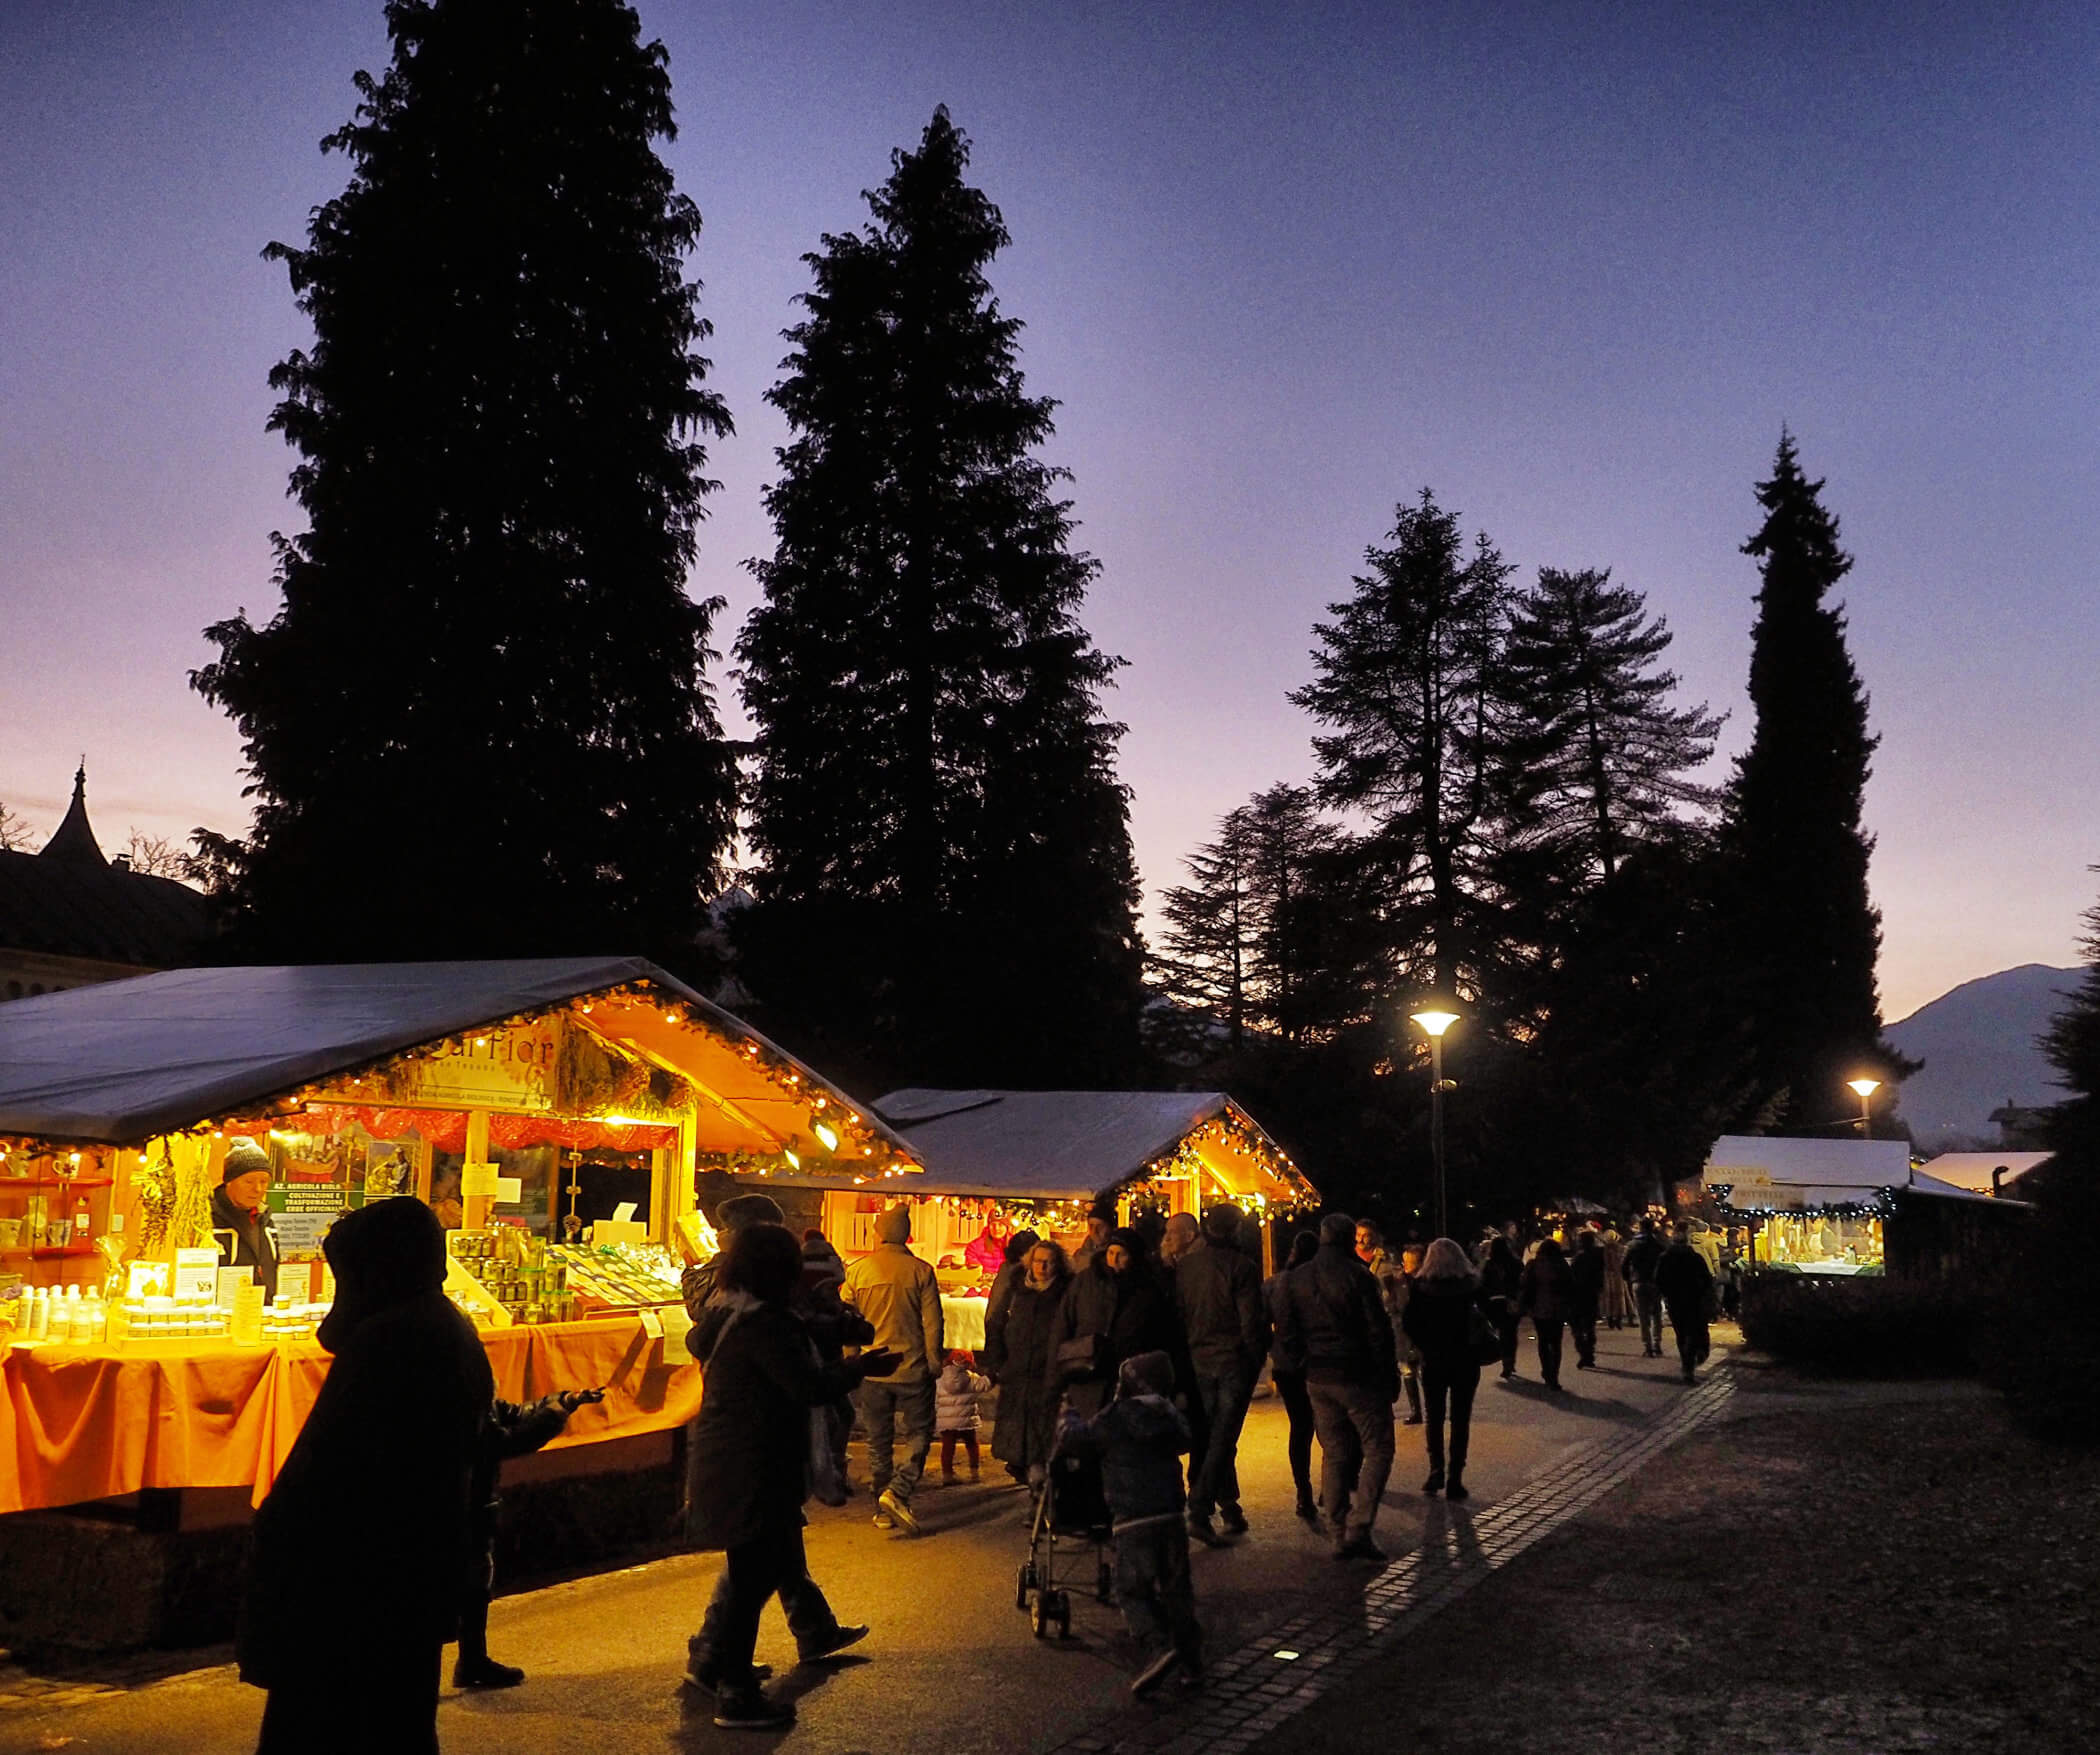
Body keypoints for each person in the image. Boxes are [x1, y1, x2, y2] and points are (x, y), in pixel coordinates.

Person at [238, 1196, 491, 1755]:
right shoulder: (432, 1324)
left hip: (358, 1579)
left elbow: (334, 1469)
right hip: (407, 1573)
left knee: (337, 1724)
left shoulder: (396, 1339)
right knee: (394, 1719)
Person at [684, 1223, 901, 1731]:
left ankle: (718, 1664)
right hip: (753, 1463)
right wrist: (859, 1369)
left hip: (731, 1457)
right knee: (752, 1577)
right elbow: (805, 1385)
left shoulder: (732, 1312)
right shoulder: (765, 1323)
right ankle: (735, 1690)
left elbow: (803, 1342)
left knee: (758, 1568)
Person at [1059, 1351, 1205, 1697]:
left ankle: (1157, 1646)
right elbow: (1187, 1439)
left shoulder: (1114, 1417)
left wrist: (1069, 1417)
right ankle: (1191, 1664)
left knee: (1132, 1590)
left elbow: (1078, 1443)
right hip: (1170, 1515)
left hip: (1132, 1518)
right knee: (1177, 1592)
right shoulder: (1168, 1416)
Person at [454, 1385, 604, 1690]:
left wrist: (563, 1401)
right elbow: (503, 1441)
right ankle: (468, 1662)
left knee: (477, 1578)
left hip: (470, 1502)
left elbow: (511, 1414)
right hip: (459, 1503)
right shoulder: (455, 1397)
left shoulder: (467, 1393)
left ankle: (473, 1660)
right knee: (460, 1582)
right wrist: (554, 1416)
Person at [1276, 1212, 1396, 1560]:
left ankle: (1336, 1528)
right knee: (1377, 1448)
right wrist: (1387, 1377)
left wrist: (1303, 1363)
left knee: (1334, 1451)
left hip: (1318, 1375)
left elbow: (1287, 1329)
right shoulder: (1358, 1276)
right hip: (1357, 1374)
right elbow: (1378, 1331)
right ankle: (1359, 1527)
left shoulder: (1297, 1278)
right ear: (1347, 1239)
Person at [841, 1205, 943, 1535]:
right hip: (912, 1367)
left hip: (873, 1370)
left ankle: (881, 1505)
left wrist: (852, 1357)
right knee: (918, 1434)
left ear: (879, 1232)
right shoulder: (921, 1271)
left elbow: (847, 1322)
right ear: (907, 1233)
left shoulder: (857, 1272)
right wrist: (933, 1359)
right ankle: (898, 1491)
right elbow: (932, 1322)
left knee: (878, 1439)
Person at [1174, 1204, 1268, 1544]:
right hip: (1231, 1361)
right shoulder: (1242, 1267)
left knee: (1209, 1436)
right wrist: (1255, 1361)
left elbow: (1180, 1315)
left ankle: (1229, 1507)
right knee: (1222, 1438)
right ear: (1235, 1230)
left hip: (1198, 1359)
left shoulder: (1186, 1267)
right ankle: (1199, 1510)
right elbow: (1251, 1323)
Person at [1052, 1225, 1183, 1419]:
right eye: (1111, 1252)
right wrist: (1055, 1378)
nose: (1113, 1259)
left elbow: (1162, 1337)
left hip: (1127, 1378)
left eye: (1121, 1254)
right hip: (1085, 1376)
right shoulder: (1086, 1281)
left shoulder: (1149, 1289)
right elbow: (1063, 1325)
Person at [1402, 1237, 1488, 1501]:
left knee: (1435, 1416)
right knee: (1461, 1418)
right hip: (1466, 1359)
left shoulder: (1421, 1287)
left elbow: (1409, 1322)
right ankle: (1456, 1478)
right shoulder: (1471, 1286)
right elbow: (1486, 1318)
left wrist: (1425, 1344)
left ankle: (1436, 1469)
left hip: (1435, 1360)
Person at [986, 1238, 1070, 1491]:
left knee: (1041, 1438)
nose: (1042, 1267)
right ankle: (1028, 1477)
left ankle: (1039, 1494)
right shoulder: (1016, 1290)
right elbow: (995, 1323)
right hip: (1016, 1373)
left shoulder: (1065, 1293)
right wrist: (998, 1363)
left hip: (1047, 1375)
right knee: (1017, 1437)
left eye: (1049, 1262)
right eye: (1038, 1261)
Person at [1263, 1231, 1320, 1521]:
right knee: (1328, 1427)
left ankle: (1304, 1492)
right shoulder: (1320, 1281)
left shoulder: (1275, 1284)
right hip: (1320, 1363)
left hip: (1286, 1365)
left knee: (1300, 1428)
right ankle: (1332, 1486)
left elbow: (1262, 1321)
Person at [1355, 1220, 1421, 1424]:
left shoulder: (1386, 1258)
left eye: (1365, 1234)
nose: (1361, 1239)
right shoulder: (1351, 1258)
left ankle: (1415, 1409)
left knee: (1402, 1365)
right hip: (1365, 1319)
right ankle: (1384, 1408)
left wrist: (1398, 1309)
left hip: (1389, 1316)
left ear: (1374, 1235)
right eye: (1358, 1234)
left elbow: (1400, 1287)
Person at [211, 1137, 281, 1303]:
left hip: (263, 1313)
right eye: (249, 1181)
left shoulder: (266, 1221)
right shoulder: (208, 1219)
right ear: (229, 1181)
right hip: (222, 1315)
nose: (257, 1189)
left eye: (264, 1182)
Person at [1655, 1223, 1716, 1384]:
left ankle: (1686, 1364)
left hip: (1675, 1301)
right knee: (1695, 1331)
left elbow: (1659, 1279)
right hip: (1694, 1300)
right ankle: (1693, 1361)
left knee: (1681, 1334)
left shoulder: (1665, 1258)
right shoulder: (1695, 1257)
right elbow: (1707, 1279)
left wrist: (1666, 1294)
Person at [1517, 1236, 1575, 1391]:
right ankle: (1553, 1375)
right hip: (1558, 1307)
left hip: (1538, 1307)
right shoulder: (1561, 1265)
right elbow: (1570, 1286)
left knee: (1543, 1341)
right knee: (1556, 1342)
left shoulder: (1533, 1265)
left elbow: (1525, 1285)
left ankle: (1546, 1370)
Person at [934, 1351, 990, 1485]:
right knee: (972, 1445)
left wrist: (938, 1415)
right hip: (967, 1420)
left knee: (947, 1447)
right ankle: (974, 1473)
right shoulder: (971, 1378)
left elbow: (936, 1401)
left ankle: (947, 1475)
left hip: (947, 1422)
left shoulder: (940, 1379)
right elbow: (984, 1385)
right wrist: (992, 1376)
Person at [1479, 1234, 1524, 1380]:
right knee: (1510, 1333)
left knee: (1498, 1332)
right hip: (1511, 1301)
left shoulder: (1489, 1264)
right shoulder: (1515, 1263)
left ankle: (1504, 1358)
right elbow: (1521, 1282)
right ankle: (1509, 1361)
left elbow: (1483, 1285)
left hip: (1494, 1302)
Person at [1622, 1218, 1667, 1358]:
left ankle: (1647, 1346)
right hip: (1655, 1282)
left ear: (1641, 1227)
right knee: (1656, 1313)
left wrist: (1628, 1278)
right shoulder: (1659, 1244)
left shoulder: (1632, 1245)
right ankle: (1657, 1343)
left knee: (1642, 1315)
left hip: (1638, 1281)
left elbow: (1624, 1264)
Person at [1567, 1228, 1605, 1370]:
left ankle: (1584, 1353)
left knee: (1577, 1327)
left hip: (1578, 1295)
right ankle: (1589, 1353)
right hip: (1591, 1293)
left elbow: (1572, 1277)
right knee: (1589, 1326)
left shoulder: (1579, 1258)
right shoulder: (1598, 1256)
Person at [1069, 1197, 1119, 1276]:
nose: (1094, 1231)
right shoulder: (1079, 1255)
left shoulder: (1116, 1258)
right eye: (1091, 1226)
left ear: (1110, 1228)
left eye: (1100, 1226)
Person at [1600, 1221, 1632, 1329]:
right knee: (1619, 1298)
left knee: (1609, 1298)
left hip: (1607, 1275)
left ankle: (1610, 1319)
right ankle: (1618, 1319)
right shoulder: (1621, 1249)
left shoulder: (1603, 1250)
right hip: (1619, 1274)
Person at [962, 1212, 1013, 1279]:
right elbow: (972, 1272)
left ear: (1007, 1227)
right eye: (993, 1225)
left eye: (1000, 1225)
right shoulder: (974, 1247)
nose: (996, 1228)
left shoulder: (1015, 1245)